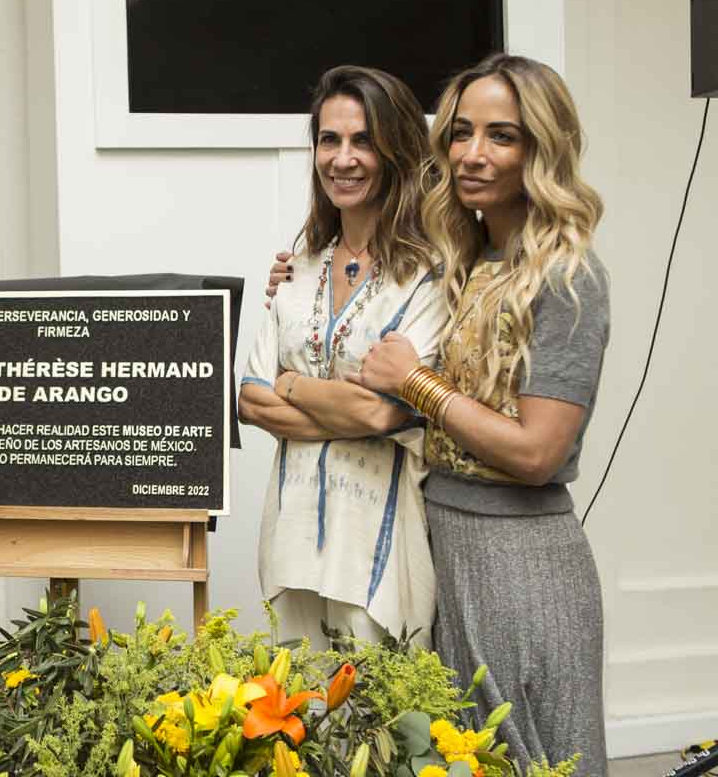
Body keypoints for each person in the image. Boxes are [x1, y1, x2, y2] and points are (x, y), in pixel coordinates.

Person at [351, 54, 609, 774]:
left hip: (522, 560)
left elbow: (538, 454)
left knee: (536, 761)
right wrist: (297, 268)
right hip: (445, 543)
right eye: (460, 132)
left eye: (502, 135)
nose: (471, 153)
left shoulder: (569, 275)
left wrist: (418, 385)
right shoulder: (464, 260)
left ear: (541, 149)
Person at [238, 66, 446, 650]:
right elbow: (249, 399)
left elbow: (384, 414)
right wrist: (337, 403)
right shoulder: (298, 269)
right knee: (295, 722)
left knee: (387, 725)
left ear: (397, 149)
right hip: (291, 541)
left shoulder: (426, 275)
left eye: (363, 141)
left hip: (380, 544)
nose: (343, 158)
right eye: (330, 140)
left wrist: (293, 386)